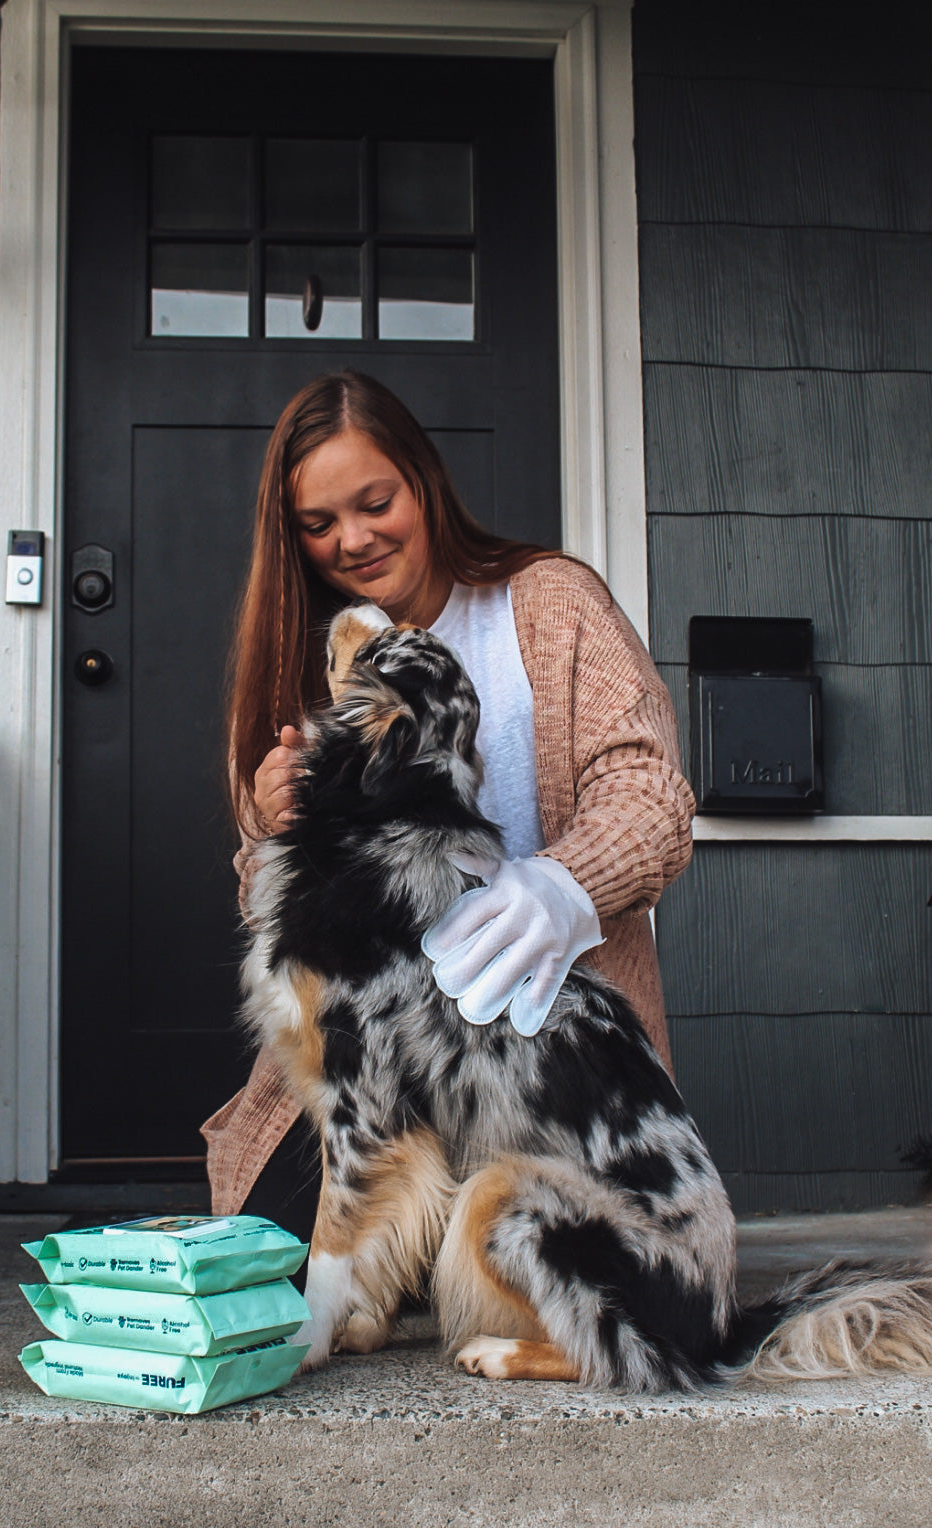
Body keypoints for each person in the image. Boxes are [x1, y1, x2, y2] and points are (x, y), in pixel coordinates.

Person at [202, 371, 695, 1241]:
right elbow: (262, 904)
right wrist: (275, 830)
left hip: (540, 1039)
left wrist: (563, 884)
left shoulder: (547, 603)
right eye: (317, 525)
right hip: (376, 1044)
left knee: (528, 1246)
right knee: (264, 1252)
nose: (351, 540)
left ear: (423, 483)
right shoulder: (305, 661)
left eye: (375, 502)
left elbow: (650, 793)